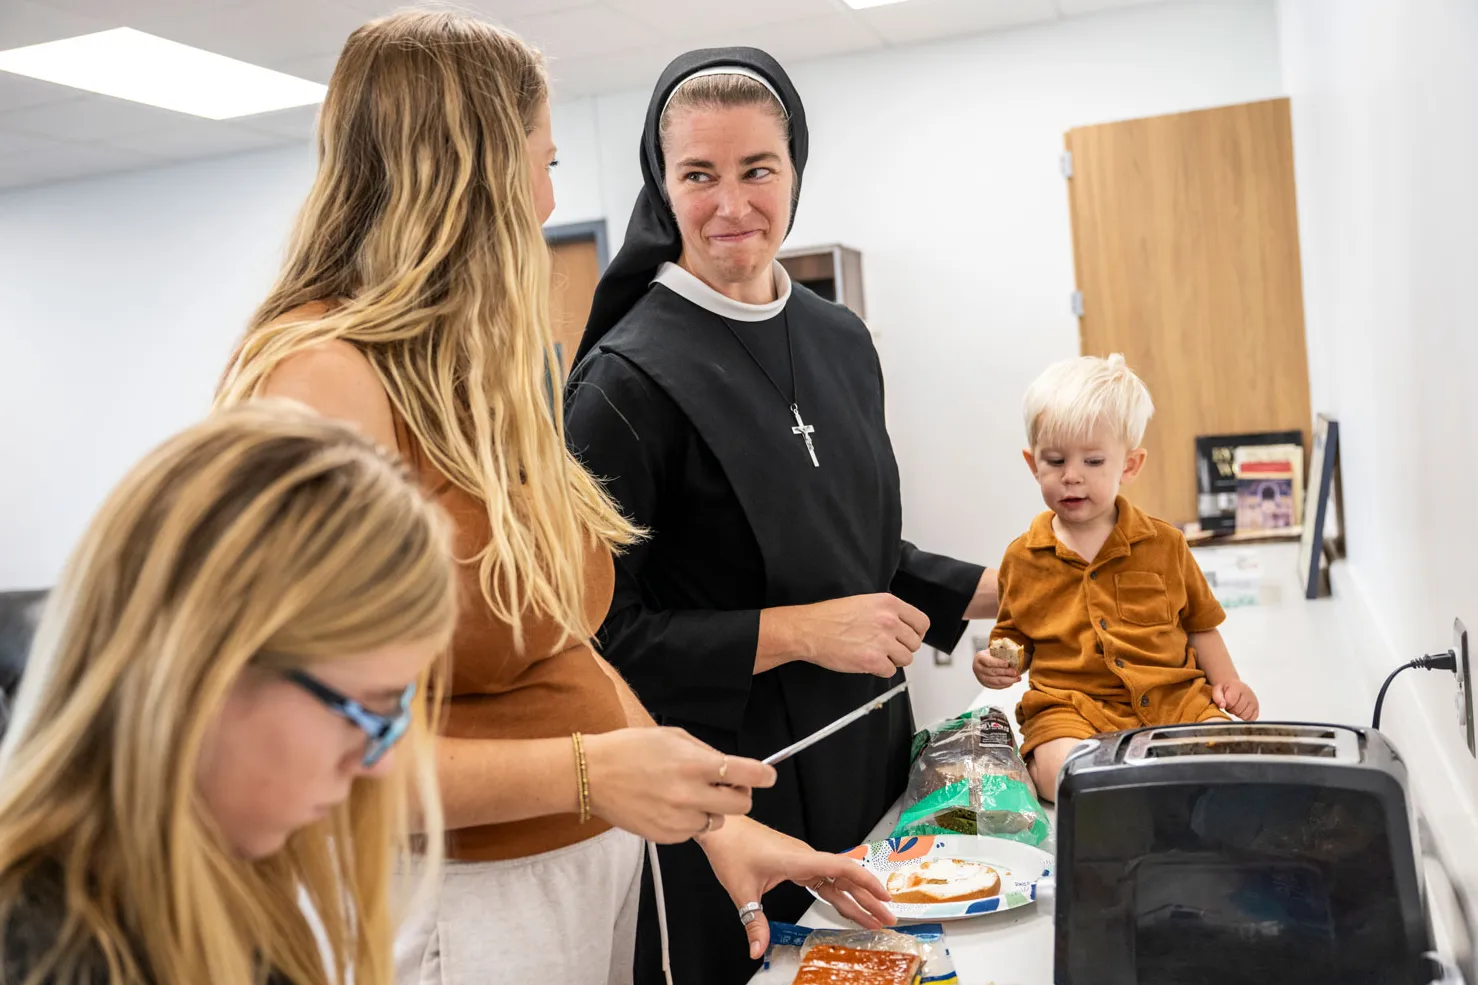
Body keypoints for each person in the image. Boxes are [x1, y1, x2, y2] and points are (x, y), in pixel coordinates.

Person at [215, 13, 891, 984]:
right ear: (462, 170)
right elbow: (289, 750)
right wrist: (585, 773)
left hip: (569, 883)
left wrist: (713, 823)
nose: (543, 202)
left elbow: (557, 645)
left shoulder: (472, 372)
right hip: (445, 906)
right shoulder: (319, 381)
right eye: (540, 163)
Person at [564, 48, 999, 985]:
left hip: (874, 763)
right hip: (729, 808)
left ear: (795, 168)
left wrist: (1004, 590)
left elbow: (852, 547)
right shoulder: (624, 382)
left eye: (758, 169)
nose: (732, 205)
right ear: (661, 183)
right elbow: (596, 636)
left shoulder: (841, 340)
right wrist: (796, 633)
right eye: (699, 175)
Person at [0, 402, 456, 985]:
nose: (380, 762)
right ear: (207, 669)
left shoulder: (223, 895)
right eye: (365, 711)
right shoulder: (49, 956)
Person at [973, 354, 1260, 801]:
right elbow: (1013, 636)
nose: (1071, 476)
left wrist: (1229, 685)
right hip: (1070, 707)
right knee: (1059, 775)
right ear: (1033, 464)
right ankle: (1115, 787)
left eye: (1092, 461)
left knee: (1230, 755)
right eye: (1055, 461)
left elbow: (1200, 624)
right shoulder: (1022, 557)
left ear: (1128, 465)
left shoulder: (1165, 544)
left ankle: (1167, 784)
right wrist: (997, 662)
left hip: (1173, 699)